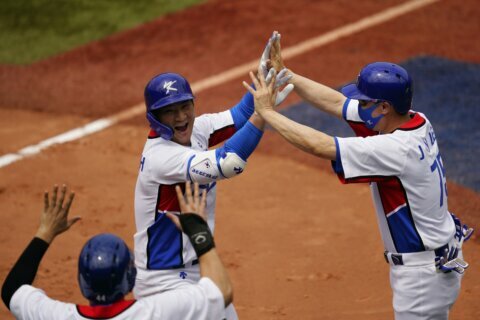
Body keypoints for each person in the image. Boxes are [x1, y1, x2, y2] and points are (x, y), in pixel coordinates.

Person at [243, 31, 474, 320]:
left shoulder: (394, 149)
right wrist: (288, 75)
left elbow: (321, 145)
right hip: (440, 260)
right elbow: (339, 103)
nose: (359, 106)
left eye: (365, 102)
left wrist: (267, 113)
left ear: (384, 107)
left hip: (422, 278)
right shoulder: (415, 121)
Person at [134, 59, 292, 318]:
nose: (182, 117)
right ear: (155, 118)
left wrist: (262, 81)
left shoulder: (197, 130)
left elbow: (238, 116)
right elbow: (228, 163)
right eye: (170, 112)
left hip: (201, 266)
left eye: (185, 106)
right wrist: (263, 114)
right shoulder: (159, 158)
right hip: (164, 280)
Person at [2, 182, 236, 319]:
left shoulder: (58, 315)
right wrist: (197, 229)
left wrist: (45, 233)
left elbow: (12, 290)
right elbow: (221, 290)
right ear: (131, 277)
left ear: (82, 281)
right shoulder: (156, 311)